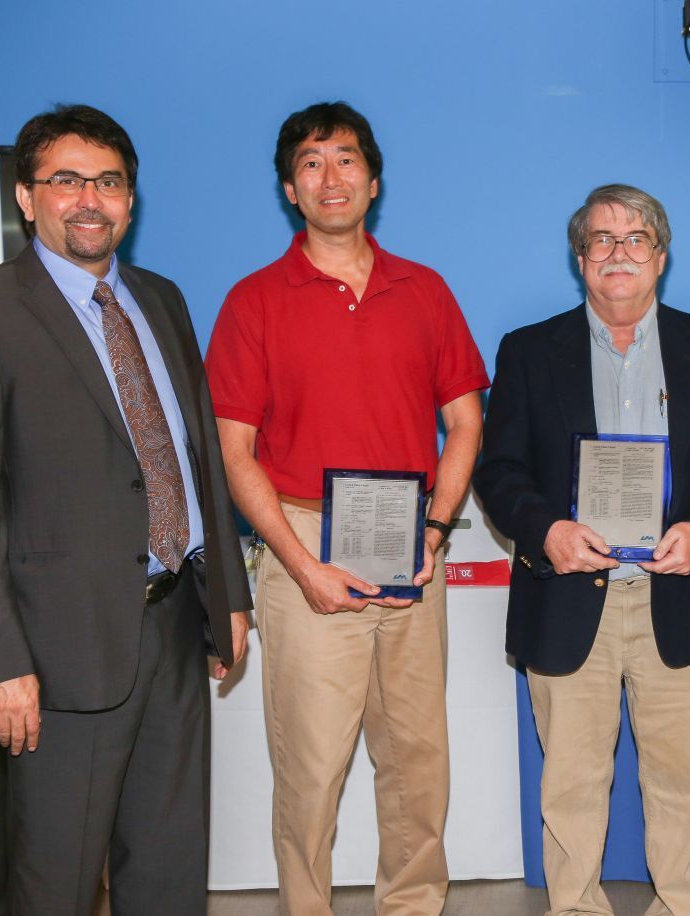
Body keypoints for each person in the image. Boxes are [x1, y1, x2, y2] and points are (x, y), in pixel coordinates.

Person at [0, 104, 252, 914]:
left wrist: (227, 595)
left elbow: (194, 453)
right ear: (27, 198)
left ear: (131, 201)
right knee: (58, 879)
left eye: (108, 182)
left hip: (174, 624)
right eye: (65, 181)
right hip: (55, 647)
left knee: (170, 866)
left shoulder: (162, 300)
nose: (88, 199)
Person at [205, 101, 488, 916]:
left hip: (410, 543)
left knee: (416, 761)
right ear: (290, 190)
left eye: (347, 159)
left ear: (374, 179)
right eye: (311, 164)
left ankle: (413, 905)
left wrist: (434, 528)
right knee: (311, 766)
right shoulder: (256, 300)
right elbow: (234, 453)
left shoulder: (424, 290)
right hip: (303, 541)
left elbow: (466, 421)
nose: (332, 177)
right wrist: (300, 566)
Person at [474, 184, 690, 916]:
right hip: (570, 596)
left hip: (680, 594)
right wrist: (547, 532)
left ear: (660, 257)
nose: (618, 253)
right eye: (601, 240)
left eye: (636, 238)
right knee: (569, 785)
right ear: (580, 260)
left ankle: (686, 907)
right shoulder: (530, 351)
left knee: (685, 782)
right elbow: (498, 470)